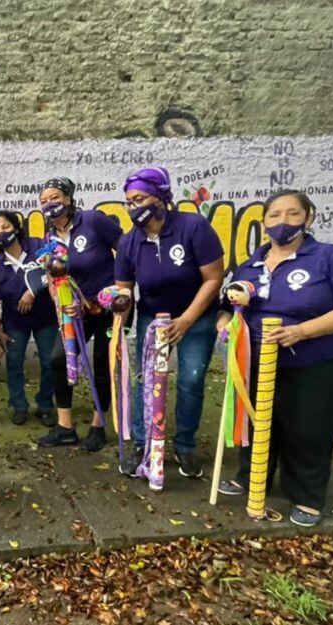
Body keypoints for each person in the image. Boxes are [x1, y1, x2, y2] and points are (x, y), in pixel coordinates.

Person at [216, 190, 333, 527]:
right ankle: (250, 477)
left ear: (309, 219)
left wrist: (303, 331)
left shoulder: (329, 258)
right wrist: (226, 329)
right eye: (274, 215)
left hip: (315, 363)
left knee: (308, 429)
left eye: (292, 214)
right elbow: (228, 307)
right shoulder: (250, 264)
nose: (282, 222)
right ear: (264, 222)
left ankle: (307, 497)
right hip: (256, 361)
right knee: (255, 421)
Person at [114, 167, 225, 479]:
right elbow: (123, 284)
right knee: (145, 380)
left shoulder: (193, 227)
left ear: (161, 197)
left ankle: (185, 446)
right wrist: (119, 302)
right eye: (128, 202)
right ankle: (142, 443)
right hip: (153, 317)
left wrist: (187, 320)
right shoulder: (129, 242)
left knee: (190, 379)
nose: (133, 207)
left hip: (196, 316)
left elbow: (214, 278)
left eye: (139, 199)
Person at [36, 177, 123, 452]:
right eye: (44, 201)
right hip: (75, 313)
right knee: (58, 359)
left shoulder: (94, 221)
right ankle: (65, 427)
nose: (49, 204)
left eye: (54, 198)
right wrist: (61, 304)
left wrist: (118, 293)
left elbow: (126, 254)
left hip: (108, 307)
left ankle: (98, 425)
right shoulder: (49, 238)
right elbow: (52, 278)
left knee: (102, 364)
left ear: (69, 199)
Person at [0, 210, 59, 426]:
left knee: (49, 362)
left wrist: (33, 290)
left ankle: (45, 405)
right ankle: (19, 405)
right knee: (14, 363)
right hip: (14, 323)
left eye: (5, 227)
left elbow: (55, 269)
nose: (1, 232)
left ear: (15, 227)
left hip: (45, 318)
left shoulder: (37, 246)